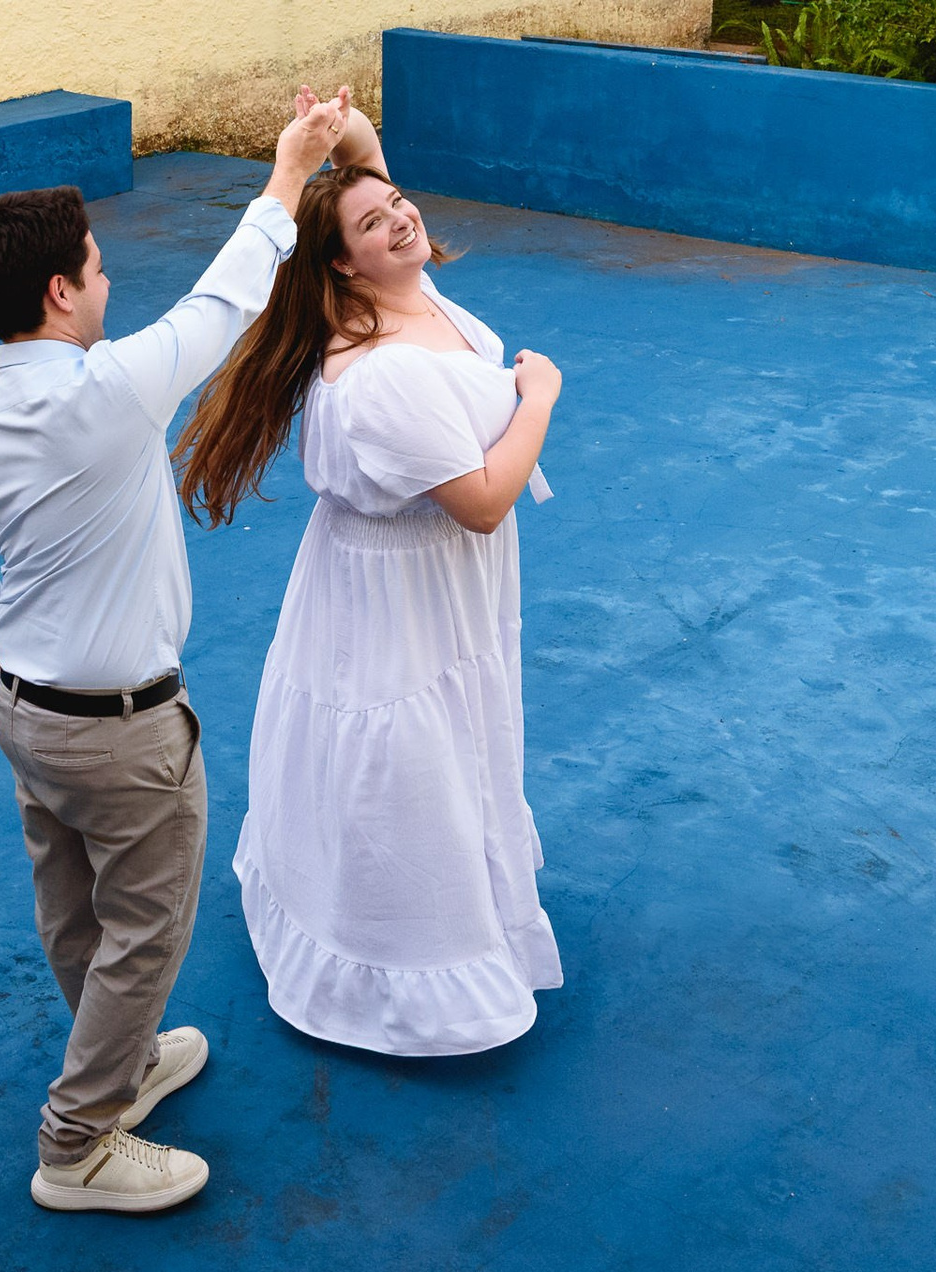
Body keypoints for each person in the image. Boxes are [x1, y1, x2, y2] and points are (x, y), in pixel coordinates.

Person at [0, 90, 347, 1212]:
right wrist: (290, 168)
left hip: (26, 716)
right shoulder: (112, 392)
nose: (109, 283)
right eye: (100, 268)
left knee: (73, 911)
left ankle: (123, 1059)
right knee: (145, 930)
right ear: (60, 292)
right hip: (123, 732)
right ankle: (76, 1144)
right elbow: (228, 297)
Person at [172, 105, 564, 1057]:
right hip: (401, 600)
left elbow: (374, 189)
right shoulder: (384, 371)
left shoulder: (411, 296)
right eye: (373, 223)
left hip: (428, 585)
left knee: (440, 748)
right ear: (343, 265)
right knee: (405, 764)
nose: (400, 218)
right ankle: (397, 975)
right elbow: (482, 502)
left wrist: (338, 137)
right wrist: (540, 396)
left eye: (399, 206)